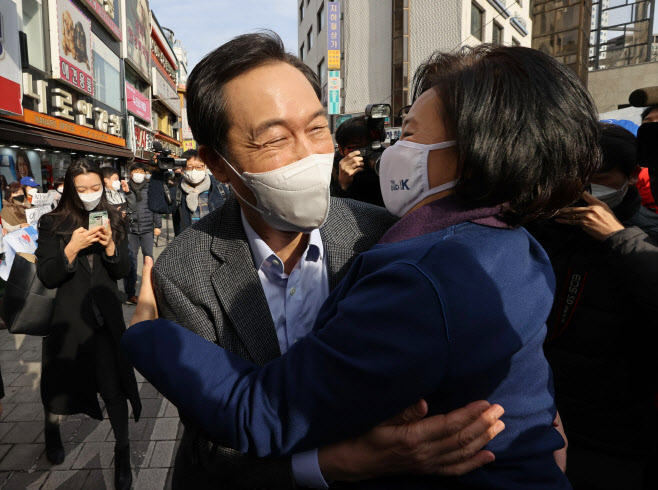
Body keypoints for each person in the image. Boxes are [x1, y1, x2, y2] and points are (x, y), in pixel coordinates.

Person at [124, 37, 593, 488]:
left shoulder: (385, 237)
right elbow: (215, 446)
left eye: (317, 128)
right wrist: (340, 464)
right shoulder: (183, 271)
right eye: (274, 140)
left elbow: (258, 410)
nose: (310, 155)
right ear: (218, 163)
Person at [526, 123, 658, 489]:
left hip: (613, 431)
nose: (584, 193)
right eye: (575, 181)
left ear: (632, 176)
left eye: (598, 179)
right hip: (545, 409)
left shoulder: (645, 233)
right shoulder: (543, 223)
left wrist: (618, 238)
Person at [35, 160, 141, 490]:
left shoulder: (114, 217)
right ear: (69, 188)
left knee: (114, 390)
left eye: (95, 188)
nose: (90, 195)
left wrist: (110, 245)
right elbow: (48, 275)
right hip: (67, 321)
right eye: (81, 189)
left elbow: (123, 270)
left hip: (105, 322)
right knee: (59, 384)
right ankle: (52, 430)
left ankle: (122, 452)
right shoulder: (52, 222)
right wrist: (71, 248)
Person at [148, 149, 230, 236]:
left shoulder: (219, 189)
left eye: (199, 167)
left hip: (216, 243)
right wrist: (157, 173)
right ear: (183, 169)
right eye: (189, 167)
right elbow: (156, 206)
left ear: (205, 167)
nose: (194, 171)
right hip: (188, 246)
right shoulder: (177, 192)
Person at [124, 163, 161, 304]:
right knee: (131, 260)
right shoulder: (125, 188)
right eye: (135, 171)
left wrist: (157, 225)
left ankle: (151, 289)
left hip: (147, 229)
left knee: (149, 259)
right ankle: (130, 294)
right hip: (131, 229)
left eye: (141, 171)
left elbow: (155, 207)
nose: (138, 173)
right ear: (131, 173)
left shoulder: (149, 187)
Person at [331, 116, 384, 206]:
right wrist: (342, 184)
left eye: (371, 148)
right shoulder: (331, 171)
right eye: (357, 149)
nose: (367, 154)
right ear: (341, 150)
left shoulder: (385, 160)